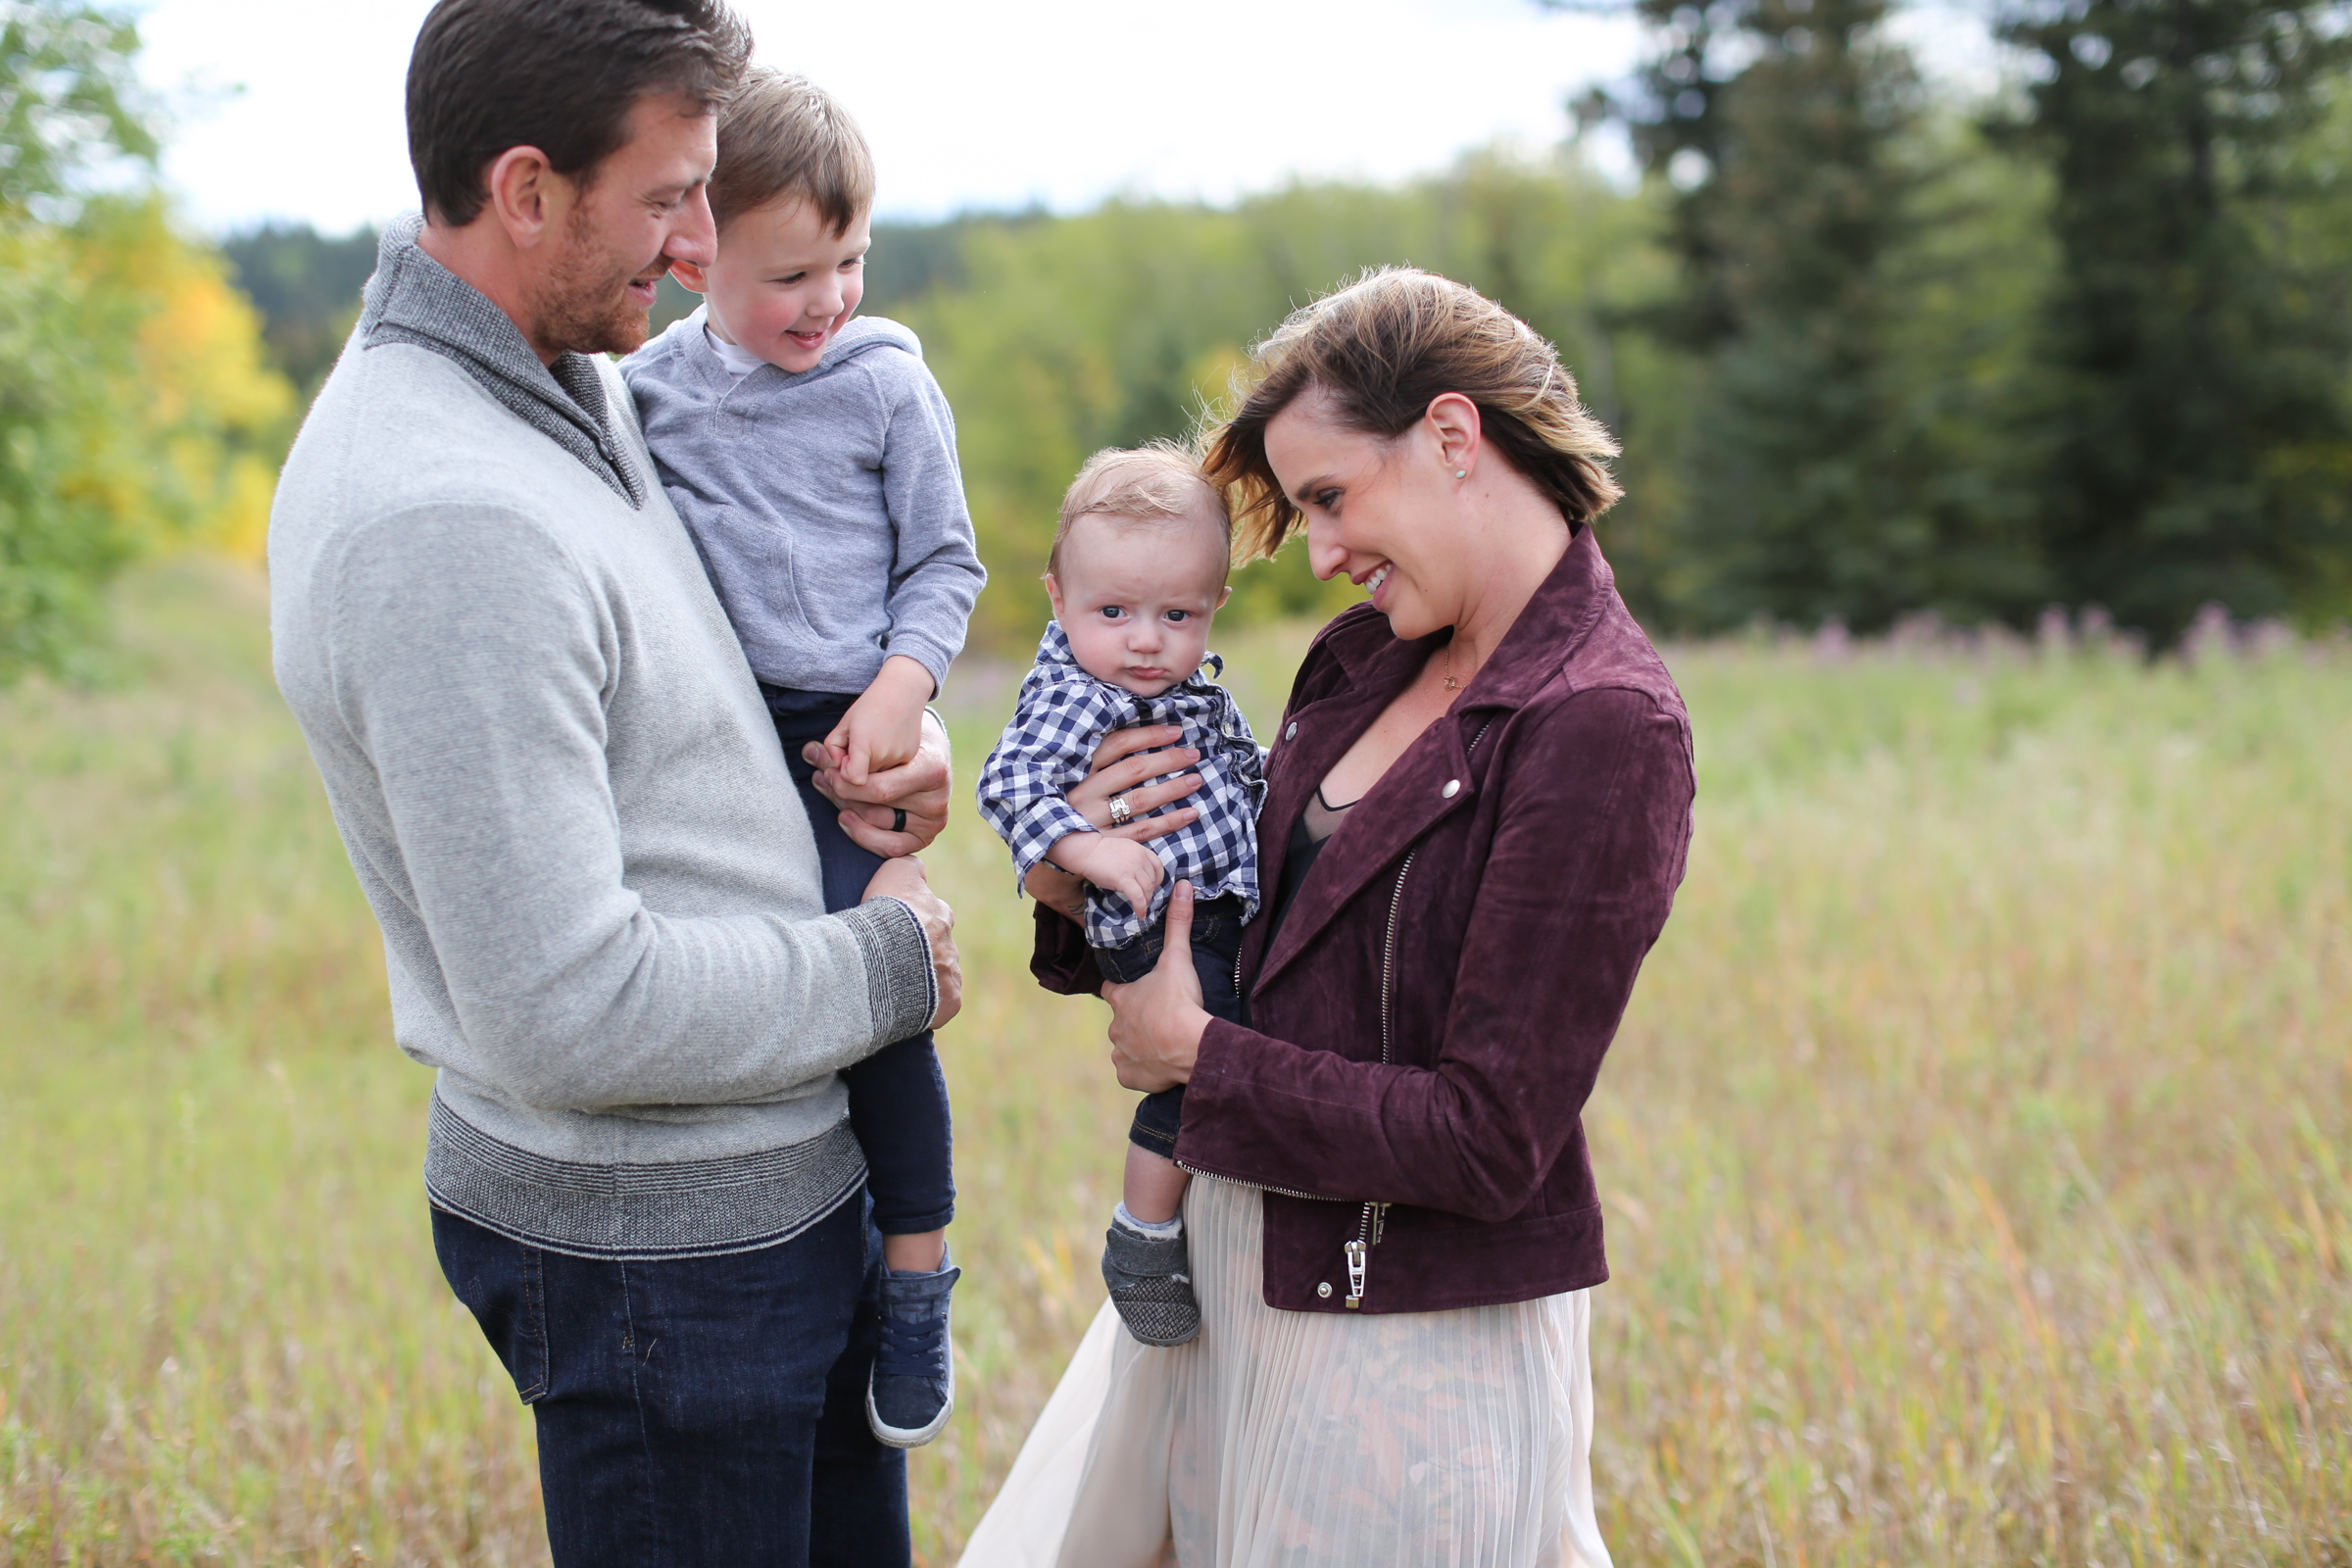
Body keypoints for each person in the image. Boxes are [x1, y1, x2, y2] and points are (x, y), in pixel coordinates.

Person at [269, 3, 960, 1563]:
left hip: (765, 1197)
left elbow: (688, 690)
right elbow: (566, 1007)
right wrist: (889, 964)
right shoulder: (447, 514)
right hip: (665, 1262)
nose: (700, 243)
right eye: (666, 200)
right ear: (525, 189)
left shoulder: (564, 378)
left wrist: (879, 757)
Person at [957, 268, 1695, 1568]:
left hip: (1415, 1345)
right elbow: (1249, 943)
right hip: (1227, 1271)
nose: (1326, 549)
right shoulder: (1359, 661)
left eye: (1332, 498)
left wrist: (1202, 1060)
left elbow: (1488, 1139)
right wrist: (1074, 875)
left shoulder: (1600, 724)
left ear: (1454, 438)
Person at [620, 67, 986, 1450]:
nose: (827, 299)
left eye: (851, 261)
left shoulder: (885, 380)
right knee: (741, 999)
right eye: (793, 273)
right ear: (695, 250)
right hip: (719, 736)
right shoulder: (647, 393)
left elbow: (945, 561)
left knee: (877, 997)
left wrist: (905, 690)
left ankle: (914, 1277)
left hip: (853, 730)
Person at [975, 446, 1265, 1348]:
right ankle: (1143, 1236)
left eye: (1175, 614)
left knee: (1234, 1047)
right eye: (1114, 612)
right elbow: (1008, 783)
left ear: (1215, 605)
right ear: (1057, 598)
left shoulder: (1189, 689)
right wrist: (1087, 846)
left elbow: (1248, 780)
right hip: (1157, 920)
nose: (1145, 639)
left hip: (1215, 909)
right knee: (1203, 1062)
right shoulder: (1076, 694)